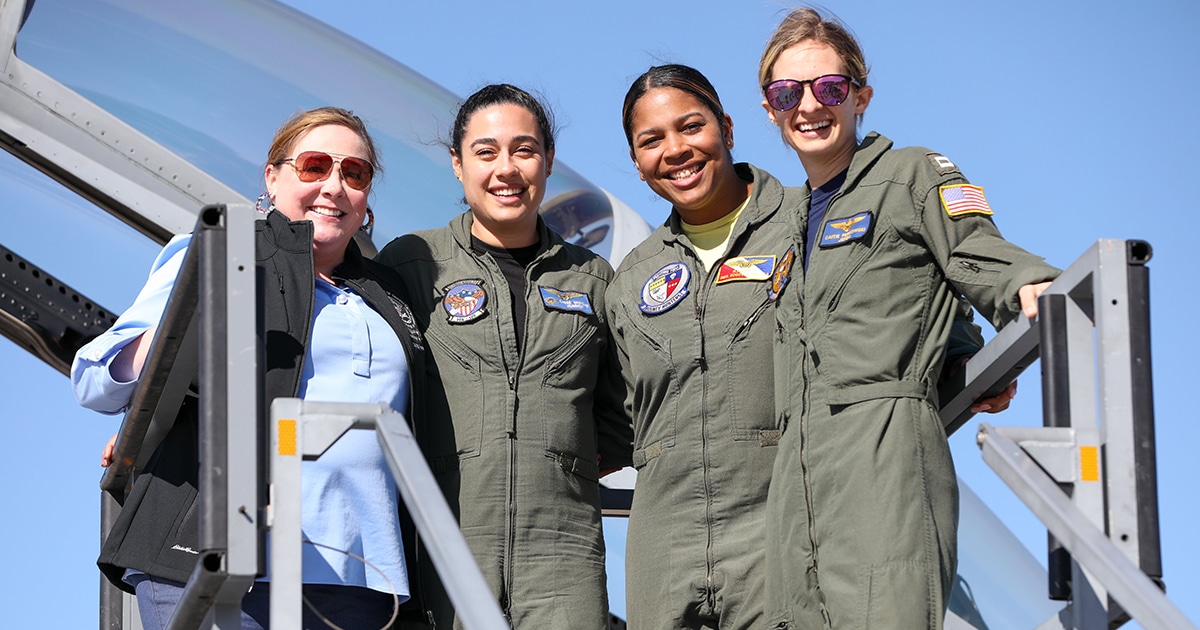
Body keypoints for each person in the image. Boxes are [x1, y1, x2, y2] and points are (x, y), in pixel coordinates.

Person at [609, 64, 1010, 630]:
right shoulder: (630, 280)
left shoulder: (815, 220)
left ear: (726, 127)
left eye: (691, 127)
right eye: (652, 140)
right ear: (635, 160)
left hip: (787, 539)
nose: (675, 150)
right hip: (664, 563)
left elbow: (916, 314)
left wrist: (968, 364)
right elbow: (614, 416)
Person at [757, 8, 1060, 629]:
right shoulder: (780, 227)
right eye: (787, 92)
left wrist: (1029, 284)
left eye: (830, 88)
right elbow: (910, 306)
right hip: (797, 481)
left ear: (861, 95)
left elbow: (975, 251)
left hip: (884, 458)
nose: (809, 105)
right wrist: (959, 358)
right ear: (770, 110)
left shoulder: (910, 174)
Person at [73, 107, 425, 630]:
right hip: (219, 557)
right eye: (314, 166)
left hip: (362, 578)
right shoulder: (222, 251)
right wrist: (184, 330)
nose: (335, 185)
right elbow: (95, 377)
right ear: (273, 177)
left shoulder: (390, 295)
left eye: (355, 173)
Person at [374, 84, 631, 629]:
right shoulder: (413, 267)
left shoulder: (594, 280)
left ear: (548, 160)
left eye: (524, 149)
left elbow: (623, 412)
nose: (506, 169)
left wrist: (557, 462)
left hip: (564, 559)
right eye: (486, 152)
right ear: (457, 165)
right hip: (442, 550)